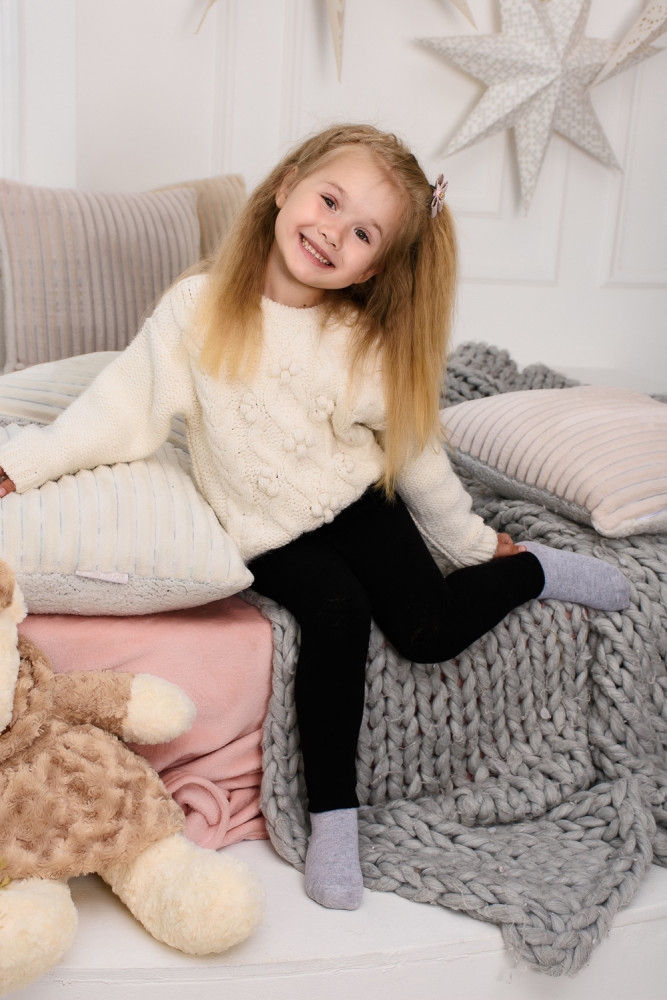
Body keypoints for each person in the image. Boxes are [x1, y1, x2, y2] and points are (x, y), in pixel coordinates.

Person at [0, 123, 629, 912]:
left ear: (374, 266)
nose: (333, 232)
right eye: (329, 201)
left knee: (426, 630)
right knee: (338, 611)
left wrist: (472, 546)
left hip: (359, 500)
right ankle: (335, 818)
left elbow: (416, 456)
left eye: (363, 232)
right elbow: (121, 412)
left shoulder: (356, 340)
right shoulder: (198, 310)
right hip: (266, 532)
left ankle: (533, 571)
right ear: (285, 185)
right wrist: (21, 465)